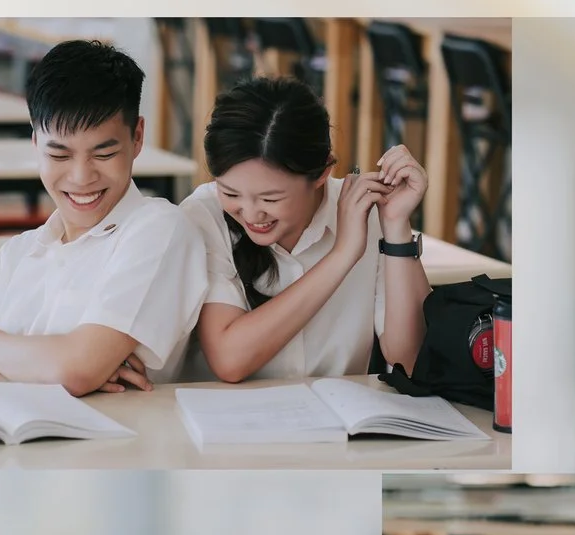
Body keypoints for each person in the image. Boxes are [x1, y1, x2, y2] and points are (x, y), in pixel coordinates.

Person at [0, 39, 209, 395]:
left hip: (117, 446)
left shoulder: (159, 230)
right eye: (60, 155)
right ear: (35, 144)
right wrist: (55, 367)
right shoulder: (18, 253)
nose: (82, 177)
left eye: (104, 152)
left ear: (138, 137)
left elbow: (78, 370)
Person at [181, 78, 430, 382]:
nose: (250, 213)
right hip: (230, 426)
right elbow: (229, 359)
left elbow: (411, 361)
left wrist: (396, 225)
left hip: (338, 423)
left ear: (322, 172)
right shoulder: (204, 215)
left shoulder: (364, 211)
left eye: (270, 198)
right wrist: (343, 255)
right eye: (230, 193)